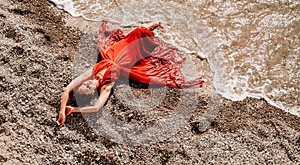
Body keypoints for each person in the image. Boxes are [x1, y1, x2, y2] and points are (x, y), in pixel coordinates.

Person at [57, 21, 204, 126]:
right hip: (125, 61)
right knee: (140, 39)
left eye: (84, 84)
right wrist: (74, 110)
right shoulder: (106, 86)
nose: (87, 82)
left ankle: (150, 27)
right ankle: (151, 29)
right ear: (93, 91)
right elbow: (96, 107)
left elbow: (67, 89)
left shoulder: (91, 73)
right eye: (88, 87)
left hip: (113, 54)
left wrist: (62, 111)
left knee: (135, 33)